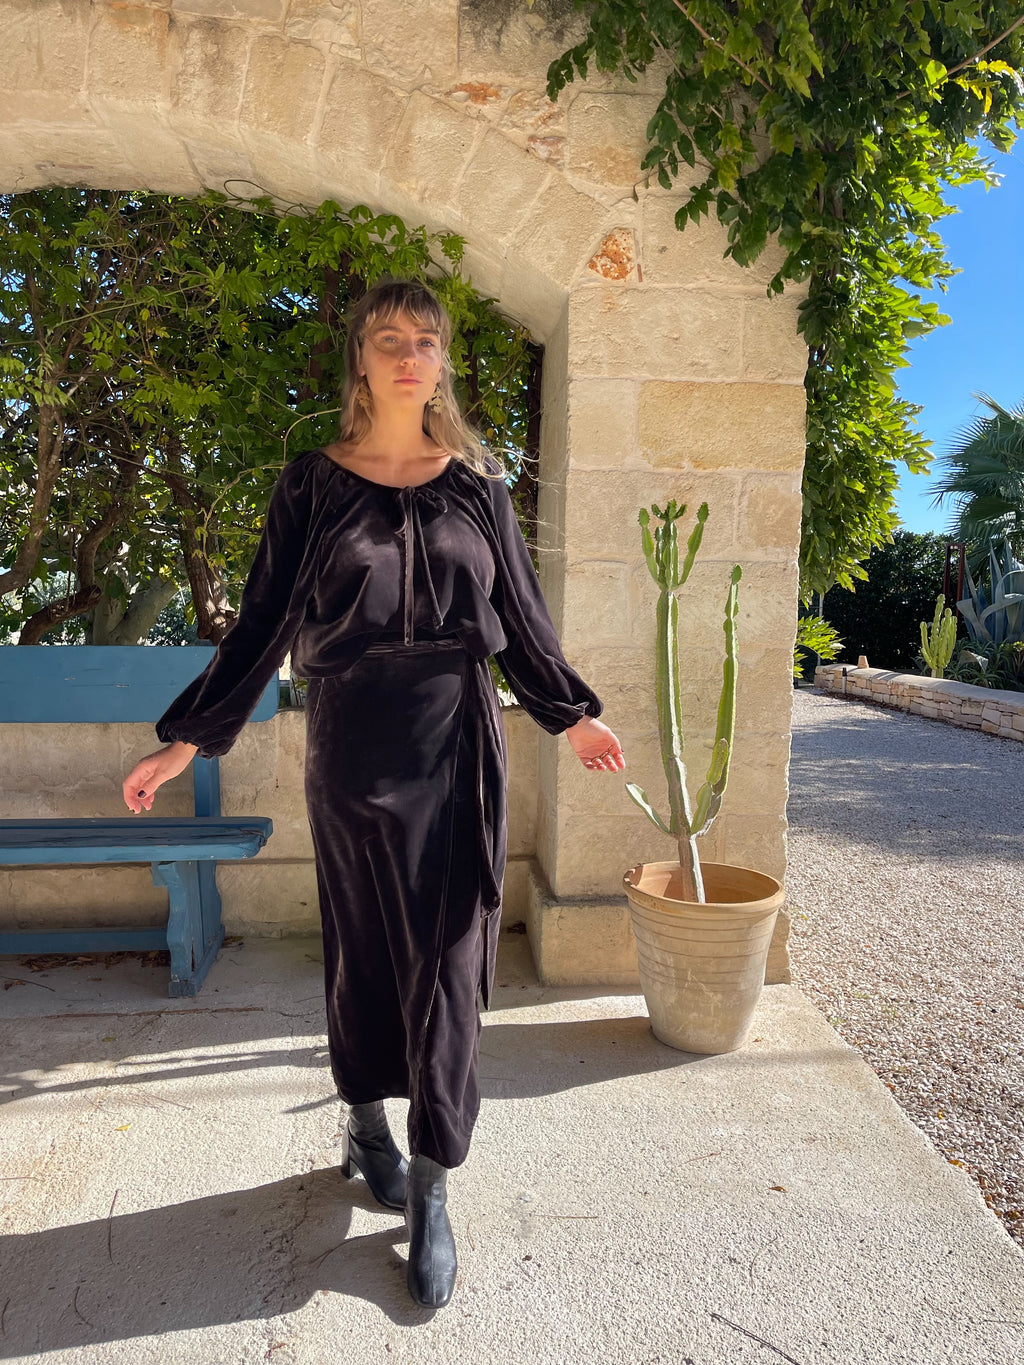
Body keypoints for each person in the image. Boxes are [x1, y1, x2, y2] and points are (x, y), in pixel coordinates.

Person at [122, 277, 625, 1310]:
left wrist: (571, 714)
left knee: (450, 958)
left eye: (425, 341)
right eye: (389, 338)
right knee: (363, 946)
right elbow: (263, 623)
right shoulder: (312, 484)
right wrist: (189, 739)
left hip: (457, 739)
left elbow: (521, 619)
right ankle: (362, 1120)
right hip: (351, 742)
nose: (408, 355)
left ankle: (433, 1184)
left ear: (442, 364)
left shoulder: (478, 487)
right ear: (361, 356)